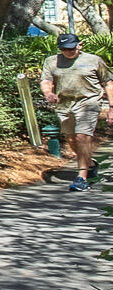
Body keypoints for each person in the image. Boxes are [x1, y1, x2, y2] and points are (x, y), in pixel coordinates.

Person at [41, 32, 110, 191]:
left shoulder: (94, 60)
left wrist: (111, 108)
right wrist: (48, 93)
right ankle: (90, 164)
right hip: (65, 104)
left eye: (71, 48)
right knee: (72, 140)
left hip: (89, 102)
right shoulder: (52, 61)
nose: (68, 52)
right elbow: (46, 80)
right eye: (64, 49)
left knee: (82, 136)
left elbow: (108, 83)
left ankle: (81, 178)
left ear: (80, 45)